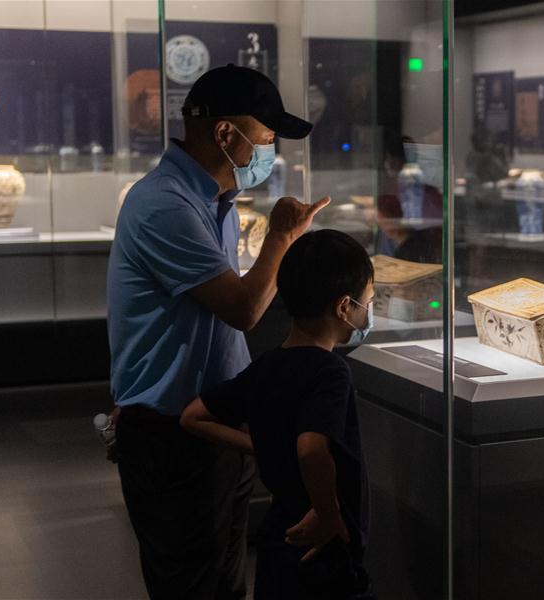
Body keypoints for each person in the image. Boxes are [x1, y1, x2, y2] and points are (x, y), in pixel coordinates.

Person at [106, 65, 329, 599]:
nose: (270, 151)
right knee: (193, 585)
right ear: (226, 134)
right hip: (173, 438)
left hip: (208, 426)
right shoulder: (165, 205)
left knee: (224, 583)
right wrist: (282, 237)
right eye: (266, 137)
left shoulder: (213, 202)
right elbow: (244, 308)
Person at [180, 229, 375, 600]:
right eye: (368, 300)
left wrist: (264, 444)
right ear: (344, 307)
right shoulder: (330, 371)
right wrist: (329, 513)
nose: (369, 311)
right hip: (320, 550)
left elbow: (193, 417)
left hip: (277, 541)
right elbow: (312, 449)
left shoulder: (267, 365)